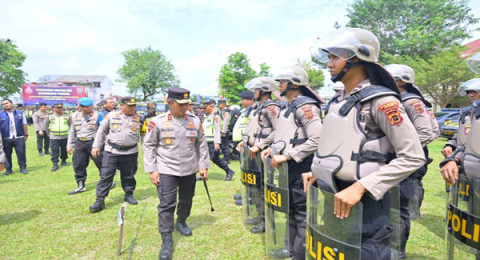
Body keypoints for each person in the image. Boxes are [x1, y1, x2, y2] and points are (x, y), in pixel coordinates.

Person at [304, 27, 425, 259]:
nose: (329, 64)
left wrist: (361, 187)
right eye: (328, 57)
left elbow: (413, 157)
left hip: (366, 204)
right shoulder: (340, 101)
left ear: (357, 58)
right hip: (334, 196)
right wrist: (318, 171)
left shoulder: (382, 101)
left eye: (334, 57)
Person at [261, 66, 323, 259]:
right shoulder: (290, 106)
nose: (279, 85)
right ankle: (290, 249)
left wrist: (287, 155)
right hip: (289, 168)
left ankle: (299, 254)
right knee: (290, 210)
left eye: (282, 82)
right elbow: (287, 134)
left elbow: (317, 139)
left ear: (294, 83)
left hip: (301, 167)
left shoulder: (306, 107)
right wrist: (273, 149)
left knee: (302, 215)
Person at [143, 88, 210, 260]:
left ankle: (181, 221)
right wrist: (152, 169)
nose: (185, 107)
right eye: (181, 104)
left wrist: (203, 166)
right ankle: (166, 239)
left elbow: (201, 144)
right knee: (167, 203)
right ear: (170, 103)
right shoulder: (157, 121)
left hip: (189, 168)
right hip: (166, 169)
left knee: (187, 199)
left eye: (187, 104)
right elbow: (149, 145)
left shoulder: (194, 121)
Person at [385, 63, 434, 258]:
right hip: (389, 161)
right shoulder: (392, 100)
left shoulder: (412, 102)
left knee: (397, 208)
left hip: (403, 162)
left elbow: (425, 132)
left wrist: (399, 149)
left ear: (400, 81)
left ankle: (397, 251)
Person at [237, 76, 281, 234]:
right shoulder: (258, 107)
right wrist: (246, 142)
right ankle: (259, 215)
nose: (254, 92)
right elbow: (254, 128)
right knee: (256, 186)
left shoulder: (271, 108)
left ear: (263, 91)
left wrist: (260, 146)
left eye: (256, 89)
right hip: (253, 152)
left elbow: (279, 130)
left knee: (264, 188)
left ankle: (266, 220)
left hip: (264, 153)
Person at [88, 97, 141, 212]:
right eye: (130, 106)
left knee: (129, 175)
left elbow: (145, 136)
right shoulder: (112, 116)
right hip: (111, 151)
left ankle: (129, 194)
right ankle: (100, 200)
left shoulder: (139, 118)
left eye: (134, 106)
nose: (133, 108)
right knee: (106, 175)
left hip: (130, 152)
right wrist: (96, 146)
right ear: (122, 106)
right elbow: (101, 131)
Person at [66, 97, 103, 195]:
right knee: (78, 164)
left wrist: (99, 145)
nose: (85, 109)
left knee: (100, 163)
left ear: (91, 106)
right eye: (82, 106)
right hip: (80, 143)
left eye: (87, 107)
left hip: (93, 143)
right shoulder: (75, 116)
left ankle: (107, 181)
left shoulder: (98, 115)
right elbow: (72, 131)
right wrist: (70, 145)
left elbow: (103, 131)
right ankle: (81, 185)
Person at [441, 78, 480, 158]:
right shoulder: (466, 112)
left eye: (475, 92)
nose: (471, 95)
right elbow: (462, 133)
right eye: (469, 92)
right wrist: (450, 145)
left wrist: (457, 157)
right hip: (465, 159)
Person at [202, 100, 235, 181]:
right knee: (204, 158)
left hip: (213, 141)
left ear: (210, 107)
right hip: (206, 141)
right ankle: (203, 174)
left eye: (204, 108)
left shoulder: (215, 116)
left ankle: (229, 171)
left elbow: (217, 130)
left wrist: (217, 142)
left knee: (215, 158)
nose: (203, 110)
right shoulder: (206, 116)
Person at [0, 99, 28, 175]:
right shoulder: (0, 114)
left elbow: (24, 125)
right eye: (3, 104)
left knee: (21, 153)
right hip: (6, 138)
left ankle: (22, 168)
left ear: (12, 103)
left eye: (7, 103)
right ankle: (8, 169)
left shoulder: (20, 113)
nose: (5, 105)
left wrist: (26, 135)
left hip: (19, 137)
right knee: (7, 154)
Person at [47, 103, 71, 171]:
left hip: (65, 135)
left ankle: (64, 160)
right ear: (54, 108)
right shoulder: (50, 116)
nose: (59, 109)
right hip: (54, 136)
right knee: (54, 150)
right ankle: (55, 163)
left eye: (60, 107)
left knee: (64, 149)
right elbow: (46, 126)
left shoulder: (67, 116)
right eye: (57, 107)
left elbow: (70, 125)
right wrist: (50, 134)